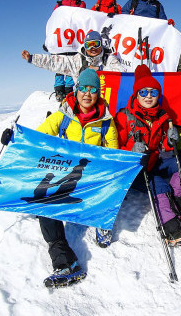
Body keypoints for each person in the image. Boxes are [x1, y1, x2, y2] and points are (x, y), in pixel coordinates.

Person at [36, 69, 119, 287]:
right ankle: (66, 264)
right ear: (77, 89)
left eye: (93, 89)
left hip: (92, 177)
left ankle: (103, 221)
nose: (87, 93)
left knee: (111, 184)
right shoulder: (62, 116)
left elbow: (114, 155)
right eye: (83, 88)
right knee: (43, 203)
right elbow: (38, 136)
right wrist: (15, 137)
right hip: (66, 175)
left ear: (98, 93)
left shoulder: (105, 122)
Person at [114, 64, 181, 247]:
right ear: (136, 94)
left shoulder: (162, 116)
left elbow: (162, 145)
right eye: (143, 92)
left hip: (155, 161)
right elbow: (113, 149)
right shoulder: (124, 117)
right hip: (134, 169)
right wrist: (130, 152)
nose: (148, 96)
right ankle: (172, 230)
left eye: (153, 92)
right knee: (159, 185)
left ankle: (175, 206)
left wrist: (170, 142)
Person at [22, 31, 125, 101]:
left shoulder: (108, 59)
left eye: (96, 44)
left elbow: (121, 72)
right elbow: (54, 62)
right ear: (85, 46)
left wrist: (100, 69)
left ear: (101, 45)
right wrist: (32, 58)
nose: (92, 47)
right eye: (89, 45)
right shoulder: (77, 61)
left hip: (105, 100)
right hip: (83, 101)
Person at [52, 0, 87, 100]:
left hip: (74, 39)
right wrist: (50, 40)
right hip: (61, 39)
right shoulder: (60, 4)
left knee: (72, 64)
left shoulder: (81, 4)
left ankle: (68, 90)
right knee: (60, 64)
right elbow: (53, 22)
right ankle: (59, 90)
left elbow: (84, 21)